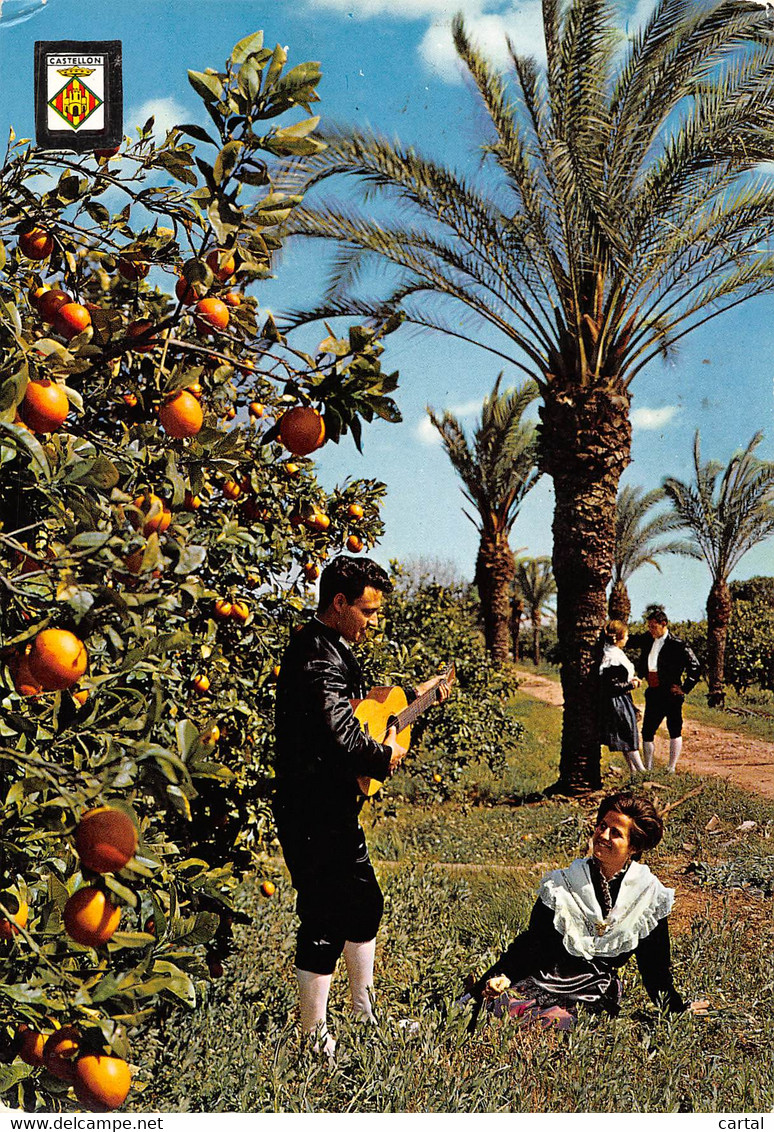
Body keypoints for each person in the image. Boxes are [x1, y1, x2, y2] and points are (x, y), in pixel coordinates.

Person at [273, 555, 448, 1057]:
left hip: (329, 804)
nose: (374, 620)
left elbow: (360, 708)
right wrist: (382, 755)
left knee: (364, 902)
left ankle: (362, 1013)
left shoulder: (331, 648)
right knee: (325, 913)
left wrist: (416, 697)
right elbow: (341, 733)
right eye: (368, 611)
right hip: (313, 808)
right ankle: (310, 1036)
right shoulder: (315, 655)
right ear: (340, 602)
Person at [462, 792, 709, 1030]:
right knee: (495, 1008)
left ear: (633, 847)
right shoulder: (562, 884)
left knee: (556, 1023)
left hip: (594, 990)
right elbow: (531, 946)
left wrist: (676, 1009)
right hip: (548, 979)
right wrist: (495, 979)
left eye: (616, 833)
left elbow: (654, 967)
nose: (603, 835)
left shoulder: (648, 895)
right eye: (602, 826)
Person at [631, 605, 702, 773]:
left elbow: (695, 666)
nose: (650, 630)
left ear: (664, 624)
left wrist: (685, 688)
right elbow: (630, 640)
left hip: (671, 693)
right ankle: (647, 768)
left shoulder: (677, 644)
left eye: (653, 626)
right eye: (648, 626)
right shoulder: (648, 639)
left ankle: (671, 767)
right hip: (654, 691)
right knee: (647, 731)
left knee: (674, 729)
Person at [599, 620, 645, 777]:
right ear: (619, 637)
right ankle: (641, 771)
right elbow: (612, 686)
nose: (628, 637)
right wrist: (632, 685)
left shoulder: (615, 653)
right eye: (626, 635)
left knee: (628, 736)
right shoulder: (611, 657)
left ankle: (633, 772)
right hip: (617, 701)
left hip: (622, 699)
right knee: (629, 735)